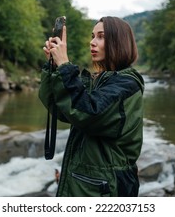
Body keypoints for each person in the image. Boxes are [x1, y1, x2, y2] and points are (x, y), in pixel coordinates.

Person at [38, 16, 145, 197]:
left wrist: (65, 66)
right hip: (88, 182)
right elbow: (64, 109)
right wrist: (54, 69)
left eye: (101, 36)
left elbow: (87, 113)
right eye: (92, 36)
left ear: (119, 42)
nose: (92, 42)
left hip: (106, 187)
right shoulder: (101, 80)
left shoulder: (127, 84)